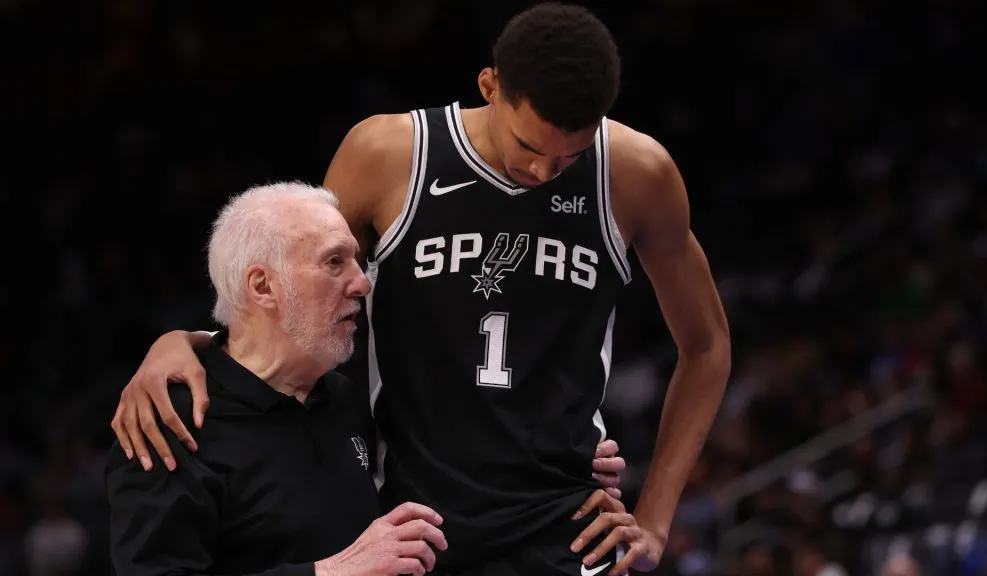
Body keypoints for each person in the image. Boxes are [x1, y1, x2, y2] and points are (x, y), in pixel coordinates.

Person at [111, 3, 732, 575]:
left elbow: (707, 347)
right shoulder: (387, 153)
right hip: (410, 517)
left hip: (565, 520)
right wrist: (185, 340)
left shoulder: (636, 172)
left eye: (567, 158)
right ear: (490, 87)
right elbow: (299, 288)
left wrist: (654, 517)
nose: (543, 171)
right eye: (529, 147)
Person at [106, 182, 448, 576]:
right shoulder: (169, 419)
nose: (362, 283)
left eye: (357, 260)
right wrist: (331, 572)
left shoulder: (340, 395)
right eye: (334, 262)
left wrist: (178, 340)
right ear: (262, 286)